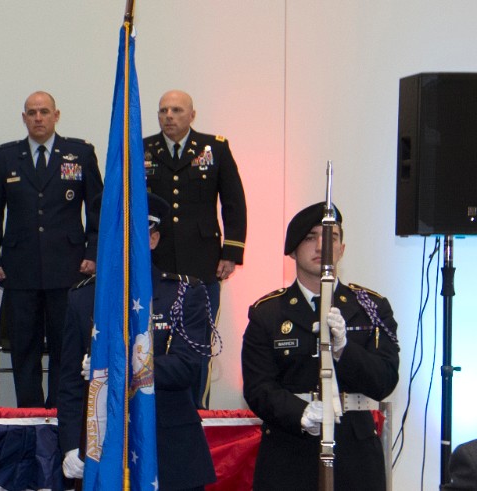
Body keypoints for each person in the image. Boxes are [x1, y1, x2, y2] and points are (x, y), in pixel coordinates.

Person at [56, 194, 217, 490]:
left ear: (153, 240)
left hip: (169, 451)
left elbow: (186, 367)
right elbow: (68, 383)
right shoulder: (82, 299)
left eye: (134, 234)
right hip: (102, 448)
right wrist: (69, 445)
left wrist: (117, 366)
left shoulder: (183, 293)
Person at [241, 203, 399, 490]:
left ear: (342, 248)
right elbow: (257, 387)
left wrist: (344, 350)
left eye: (332, 237)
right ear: (292, 250)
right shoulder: (268, 313)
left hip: (355, 452)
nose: (322, 246)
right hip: (288, 450)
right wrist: (300, 413)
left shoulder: (371, 308)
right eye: (311, 237)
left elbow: (384, 380)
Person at [0, 91, 102, 408]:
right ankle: (30, 413)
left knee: (67, 345)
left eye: (44, 112)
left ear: (56, 115)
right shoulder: (5, 157)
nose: (38, 118)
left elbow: (97, 210)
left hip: (70, 268)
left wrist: (93, 253)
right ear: (23, 118)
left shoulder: (79, 154)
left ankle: (60, 410)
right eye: (31, 113)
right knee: (24, 347)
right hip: (20, 269)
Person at [143, 89, 246, 407]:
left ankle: (199, 411)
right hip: (157, 264)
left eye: (176, 110)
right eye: (163, 110)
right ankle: (155, 409)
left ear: (192, 115)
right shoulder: (143, 149)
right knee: (153, 342)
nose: (168, 116)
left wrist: (231, 252)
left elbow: (233, 202)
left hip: (201, 262)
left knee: (199, 343)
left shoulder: (214, 147)